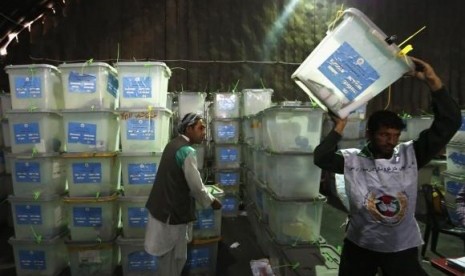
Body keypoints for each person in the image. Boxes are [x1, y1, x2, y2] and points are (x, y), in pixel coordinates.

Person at [314, 56, 461, 276]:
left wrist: (433, 81)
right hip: (361, 245)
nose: (390, 141)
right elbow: (321, 157)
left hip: (400, 246)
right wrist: (339, 127)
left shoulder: (410, 154)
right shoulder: (353, 160)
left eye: (394, 135)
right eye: (384, 135)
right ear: (369, 135)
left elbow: (449, 122)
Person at [144, 112, 223, 275]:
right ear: (189, 129)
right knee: (172, 260)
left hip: (160, 209)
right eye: (200, 128)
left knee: (167, 258)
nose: (204, 132)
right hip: (171, 214)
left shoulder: (172, 144)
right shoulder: (187, 151)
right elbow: (196, 187)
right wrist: (212, 201)